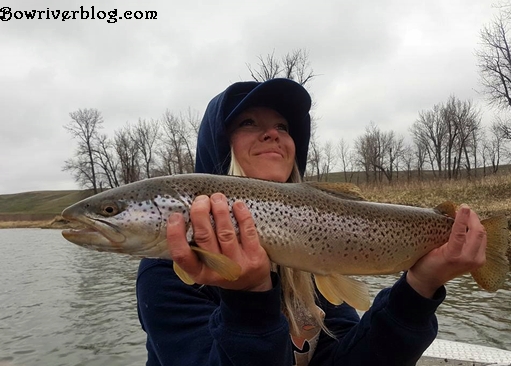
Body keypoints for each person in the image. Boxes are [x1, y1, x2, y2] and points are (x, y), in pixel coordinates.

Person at [136, 78, 487, 366]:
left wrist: (421, 287)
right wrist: (248, 300)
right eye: (248, 123)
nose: (273, 134)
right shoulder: (170, 270)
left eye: (282, 127)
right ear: (218, 147)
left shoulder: (313, 250)